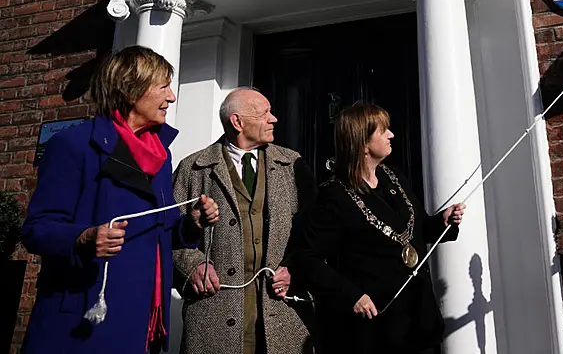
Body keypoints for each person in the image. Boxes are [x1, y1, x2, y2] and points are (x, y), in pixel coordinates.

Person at [21, 46, 220, 354]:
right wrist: (83, 238)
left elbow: (160, 233)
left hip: (145, 315)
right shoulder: (73, 145)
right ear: (131, 89)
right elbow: (37, 228)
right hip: (87, 317)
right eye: (163, 86)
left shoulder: (161, 155)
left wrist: (191, 224)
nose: (172, 96)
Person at [300, 103, 465, 354]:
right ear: (363, 143)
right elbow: (308, 258)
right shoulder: (334, 196)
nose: (391, 135)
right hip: (376, 328)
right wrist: (352, 296)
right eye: (383, 131)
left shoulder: (394, 177)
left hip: (418, 320)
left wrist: (441, 221)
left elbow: (414, 231)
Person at [172, 87, 317, 354]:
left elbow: (314, 231)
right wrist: (191, 266)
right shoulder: (192, 169)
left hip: (281, 316)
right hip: (212, 316)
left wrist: (294, 270)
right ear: (237, 121)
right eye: (264, 114)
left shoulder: (292, 164)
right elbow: (167, 234)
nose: (273, 119)